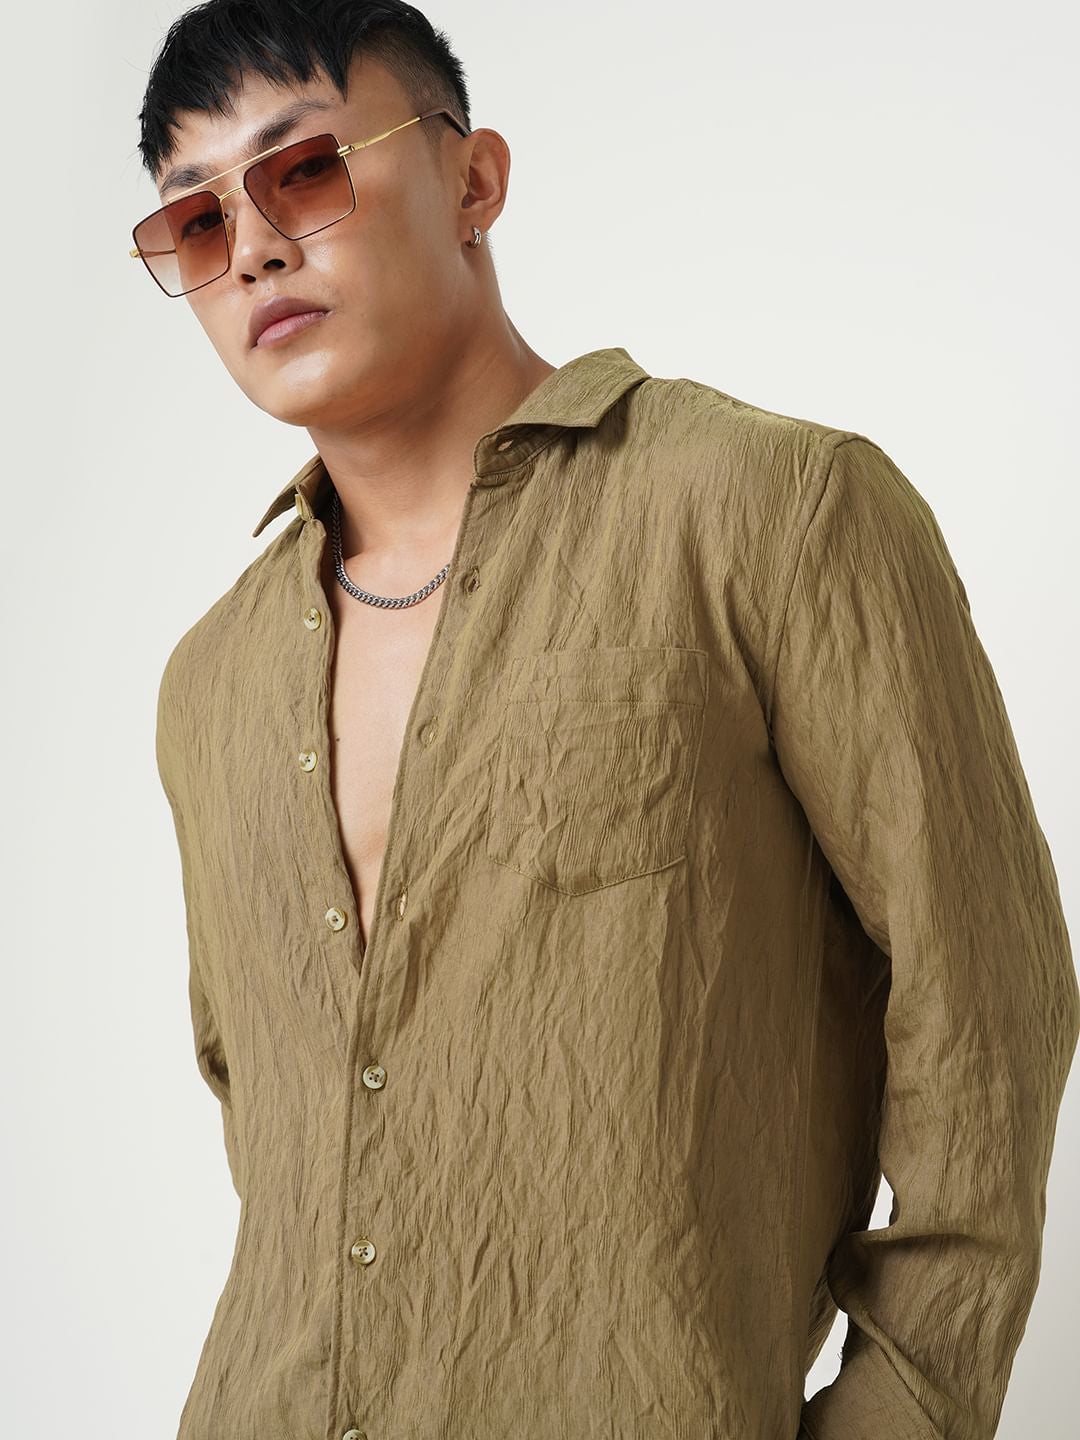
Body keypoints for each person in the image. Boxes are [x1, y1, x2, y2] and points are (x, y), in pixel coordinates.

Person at [135, 3, 1079, 1438]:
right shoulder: (211, 681)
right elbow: (276, 1126)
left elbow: (989, 1001)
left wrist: (902, 1407)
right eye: (197, 222)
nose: (253, 246)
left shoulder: (773, 515)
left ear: (474, 181)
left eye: (306, 170)